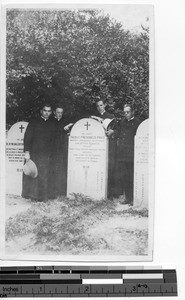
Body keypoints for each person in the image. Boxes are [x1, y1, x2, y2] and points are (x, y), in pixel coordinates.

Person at [22, 103, 55, 201]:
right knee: (34, 175)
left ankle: (44, 197)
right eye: (45, 111)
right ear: (41, 111)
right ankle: (33, 196)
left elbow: (53, 140)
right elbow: (27, 137)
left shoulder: (52, 123)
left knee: (45, 175)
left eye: (49, 111)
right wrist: (27, 152)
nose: (47, 113)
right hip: (35, 153)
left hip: (46, 154)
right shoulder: (34, 122)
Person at [116, 104, 140, 205]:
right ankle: (127, 198)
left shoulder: (137, 123)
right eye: (124, 112)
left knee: (132, 176)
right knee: (125, 176)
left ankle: (134, 199)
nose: (126, 114)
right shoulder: (122, 122)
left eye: (128, 112)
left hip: (132, 154)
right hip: (123, 154)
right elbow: (119, 134)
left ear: (132, 112)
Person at [95, 99, 117, 198]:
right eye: (98, 106)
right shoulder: (94, 117)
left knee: (110, 168)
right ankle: (98, 190)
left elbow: (116, 129)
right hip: (98, 146)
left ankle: (110, 193)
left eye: (101, 105)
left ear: (105, 105)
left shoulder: (111, 116)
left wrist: (112, 131)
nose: (100, 107)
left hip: (109, 145)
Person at [48, 105, 69, 198]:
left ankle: (61, 191)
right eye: (58, 112)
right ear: (54, 112)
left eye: (61, 112)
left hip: (62, 150)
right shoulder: (50, 121)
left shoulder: (64, 122)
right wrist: (63, 129)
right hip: (52, 150)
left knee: (61, 170)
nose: (60, 114)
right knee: (52, 170)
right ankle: (52, 191)